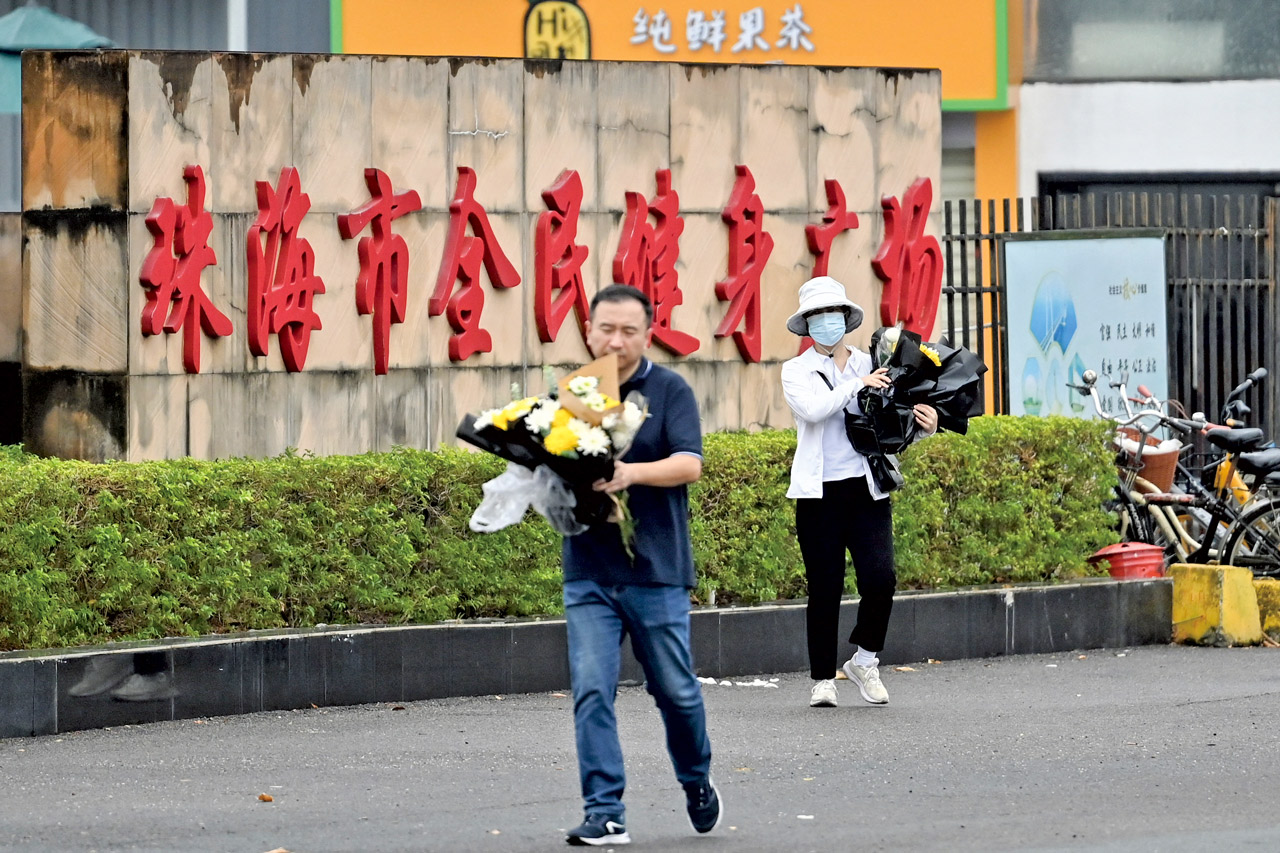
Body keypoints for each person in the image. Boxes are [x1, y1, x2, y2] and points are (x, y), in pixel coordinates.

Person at [561, 284, 721, 846]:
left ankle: (696, 779)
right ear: (589, 331)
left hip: (656, 570)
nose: (616, 340)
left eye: (629, 330)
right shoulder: (579, 392)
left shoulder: (669, 389)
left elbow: (689, 463)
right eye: (606, 328)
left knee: (674, 690)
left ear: (647, 335)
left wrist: (630, 473)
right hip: (588, 569)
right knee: (590, 688)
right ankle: (605, 811)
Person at [780, 275, 938, 709]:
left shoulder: (874, 361)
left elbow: (891, 428)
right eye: (816, 316)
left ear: (846, 319)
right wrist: (859, 384)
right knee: (825, 586)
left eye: (832, 314)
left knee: (880, 578)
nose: (825, 322)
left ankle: (865, 661)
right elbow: (813, 410)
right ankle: (821, 681)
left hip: (867, 490)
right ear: (806, 324)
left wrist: (923, 427)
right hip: (818, 495)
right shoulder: (796, 371)